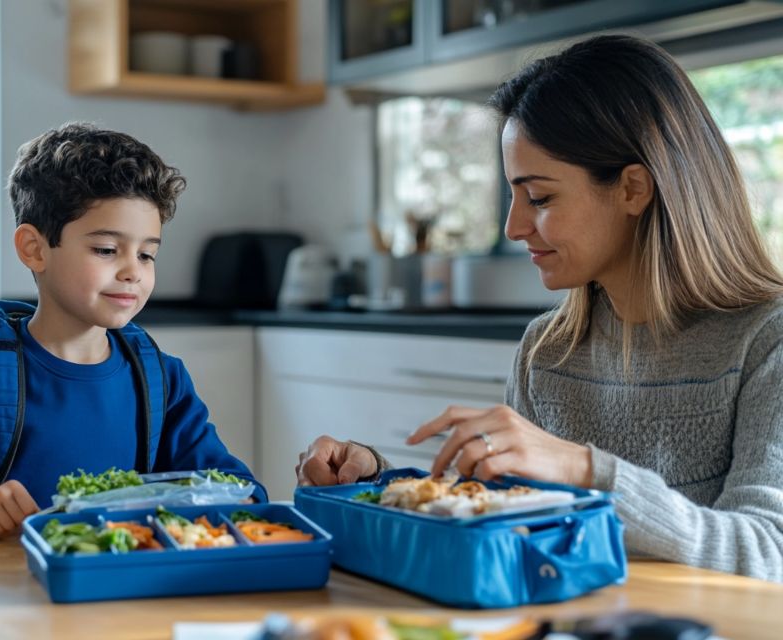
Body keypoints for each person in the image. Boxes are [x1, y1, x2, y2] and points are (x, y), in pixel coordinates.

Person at [297, 35, 783, 582]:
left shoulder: (768, 339)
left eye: (541, 198)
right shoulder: (547, 350)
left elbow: (768, 552)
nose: (513, 227)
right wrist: (377, 483)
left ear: (633, 189)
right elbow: (511, 519)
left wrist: (587, 470)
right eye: (512, 194)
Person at [0, 122, 265, 537]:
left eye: (146, 254)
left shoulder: (162, 378)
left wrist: (272, 491)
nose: (132, 272)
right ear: (34, 249)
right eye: (106, 250)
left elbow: (235, 487)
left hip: (123, 593)